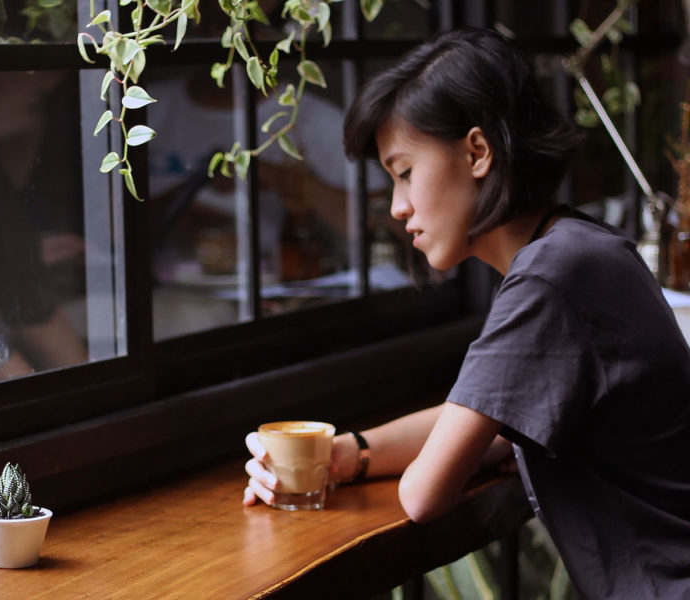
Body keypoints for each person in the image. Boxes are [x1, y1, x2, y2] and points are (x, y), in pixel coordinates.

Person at [242, 27, 690, 599]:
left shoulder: (549, 278)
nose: (397, 207)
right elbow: (494, 423)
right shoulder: (583, 248)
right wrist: (344, 456)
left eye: (405, 171)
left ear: (477, 152)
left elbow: (423, 495)